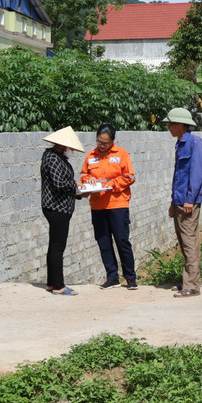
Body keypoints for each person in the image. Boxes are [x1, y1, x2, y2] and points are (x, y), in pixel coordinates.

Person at [80, 124, 138, 290]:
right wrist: (88, 179)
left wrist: (111, 184)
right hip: (97, 205)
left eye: (105, 143)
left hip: (117, 203)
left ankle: (130, 277)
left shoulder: (121, 154)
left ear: (112, 141)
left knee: (122, 240)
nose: (102, 145)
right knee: (103, 241)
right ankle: (112, 277)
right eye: (99, 142)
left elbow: (130, 176)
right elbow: (84, 174)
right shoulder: (91, 155)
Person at [163, 107, 202, 298]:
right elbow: (178, 177)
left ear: (181, 125)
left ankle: (192, 286)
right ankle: (187, 280)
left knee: (190, 242)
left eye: (171, 124)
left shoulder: (195, 143)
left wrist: (190, 199)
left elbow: (197, 173)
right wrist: (173, 203)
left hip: (189, 201)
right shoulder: (180, 144)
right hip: (179, 201)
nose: (169, 128)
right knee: (183, 242)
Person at [40, 126, 86, 296]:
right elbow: (59, 184)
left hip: (59, 206)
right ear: (63, 145)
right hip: (56, 207)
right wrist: (76, 185)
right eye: (71, 147)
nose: (72, 150)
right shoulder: (52, 158)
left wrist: (78, 193)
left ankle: (51, 283)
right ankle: (59, 286)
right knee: (58, 247)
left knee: (54, 245)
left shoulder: (56, 157)